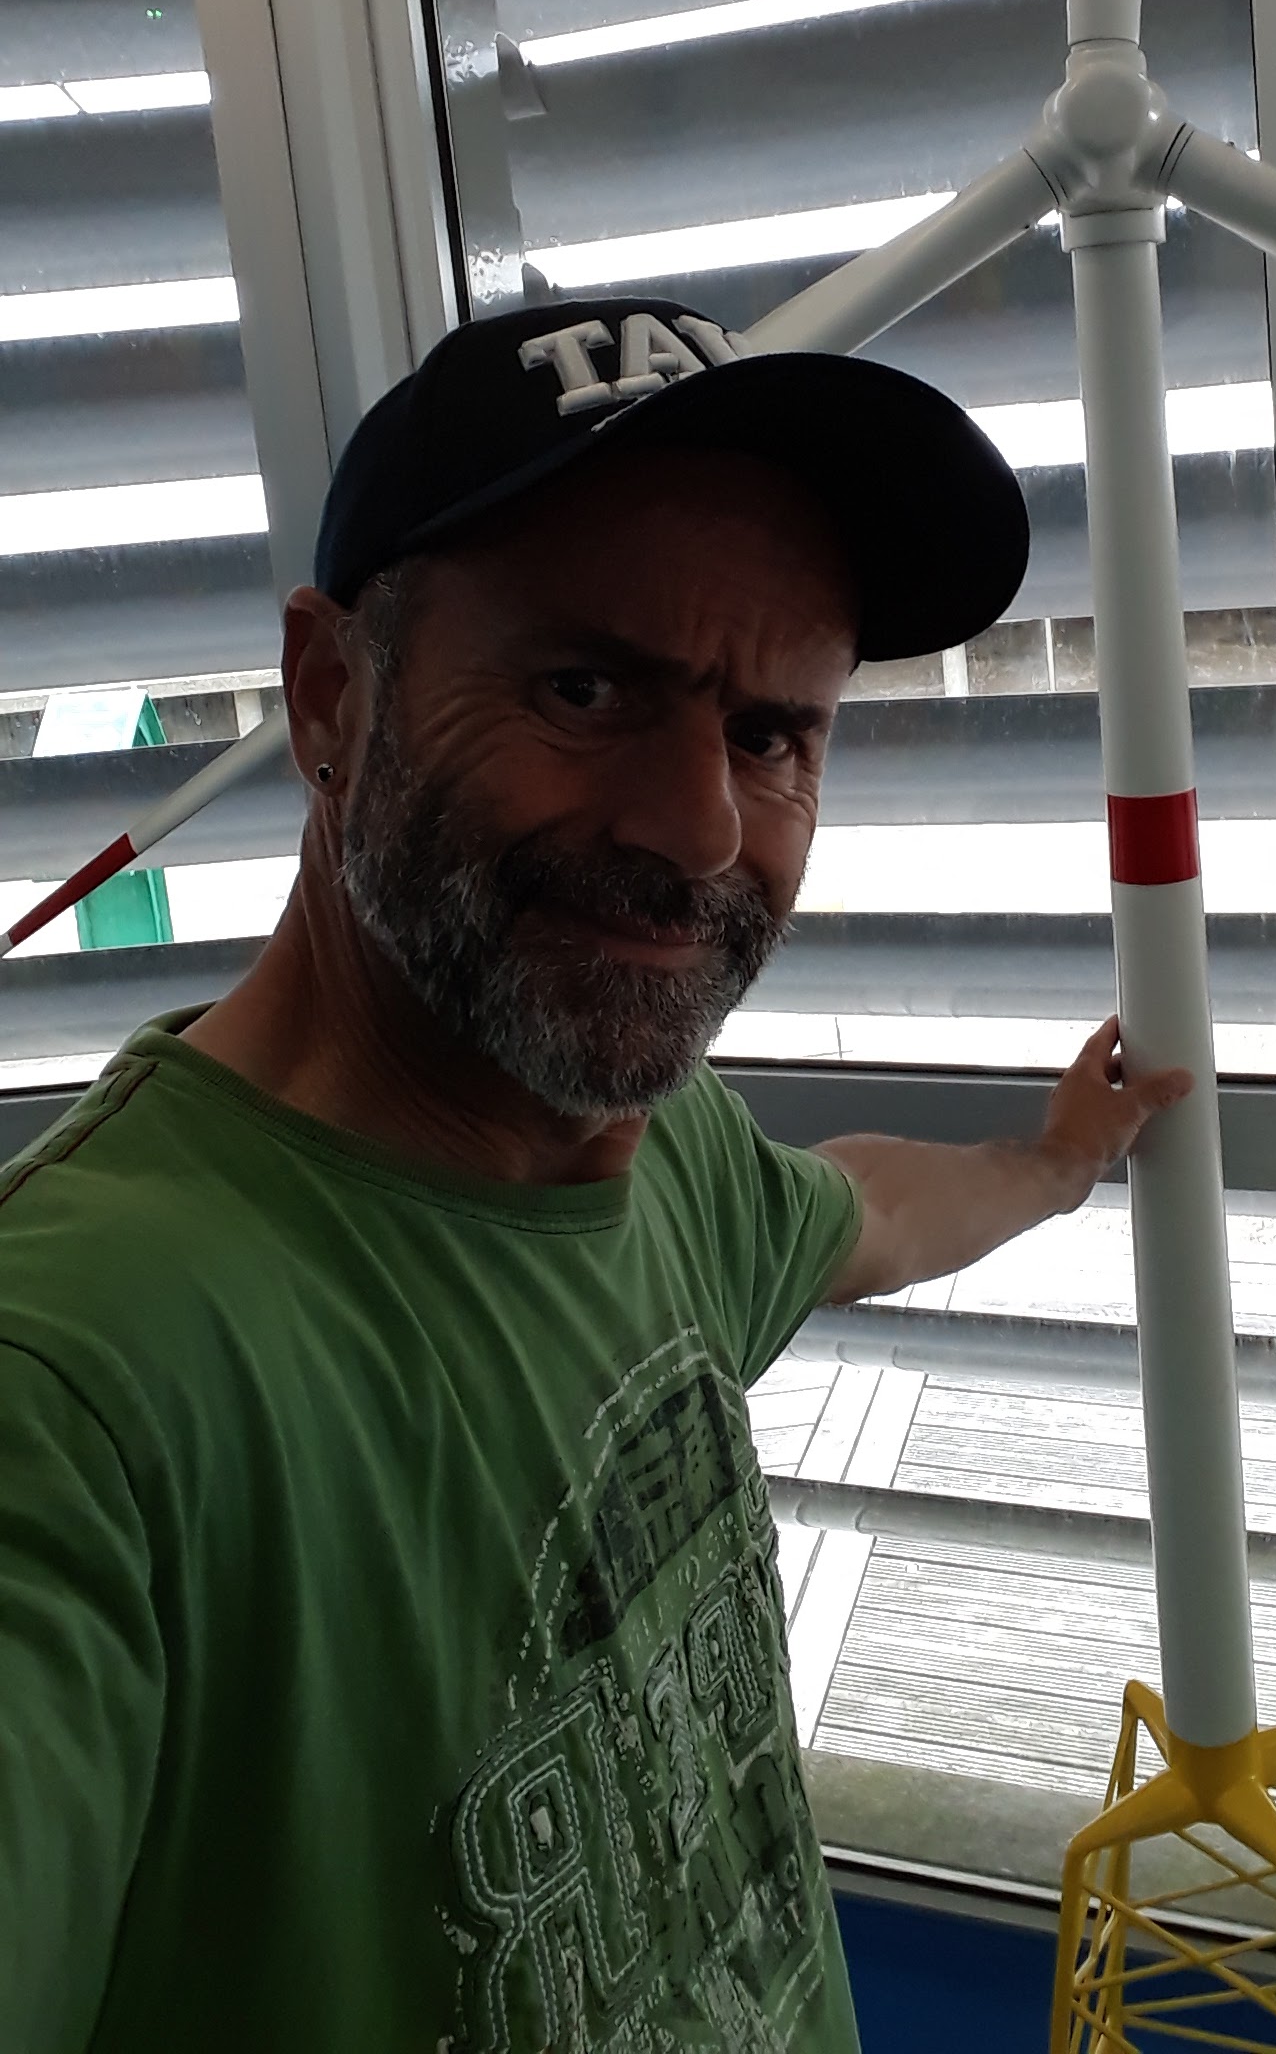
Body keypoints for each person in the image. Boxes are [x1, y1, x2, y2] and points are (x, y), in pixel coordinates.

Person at [0, 296, 1190, 2054]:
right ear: (331, 698)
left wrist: (1056, 1160)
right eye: (584, 689)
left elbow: (857, 1216)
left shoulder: (655, 1150)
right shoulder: (77, 1383)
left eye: (771, 735)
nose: (700, 830)